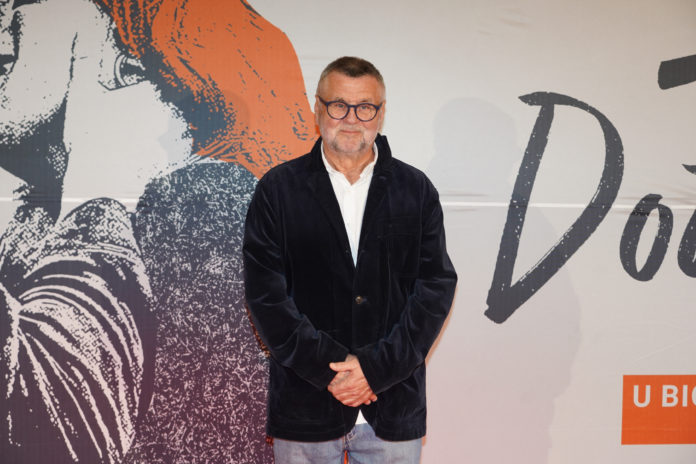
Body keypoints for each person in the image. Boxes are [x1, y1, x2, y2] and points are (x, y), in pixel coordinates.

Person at [243, 56, 457, 463]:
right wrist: (333, 370)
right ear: (317, 108)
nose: (352, 119)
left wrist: (375, 371)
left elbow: (434, 291)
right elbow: (266, 298)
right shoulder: (278, 190)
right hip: (305, 407)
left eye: (365, 107)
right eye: (339, 105)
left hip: (392, 406)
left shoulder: (415, 190)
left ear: (381, 113)